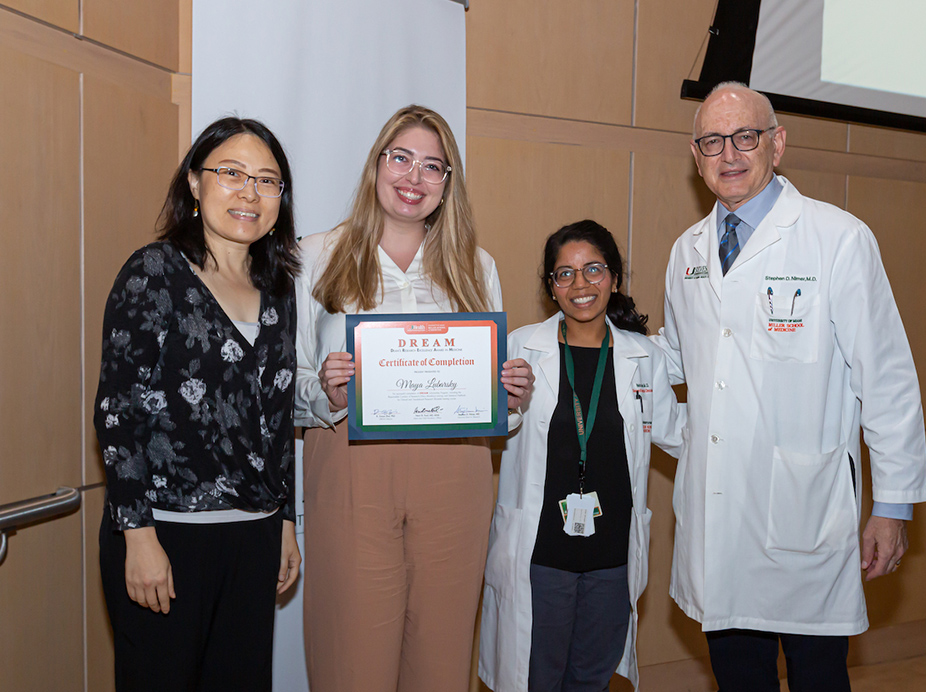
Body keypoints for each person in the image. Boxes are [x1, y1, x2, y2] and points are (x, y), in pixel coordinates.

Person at [654, 81, 926, 691]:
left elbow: (885, 376)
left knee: (818, 677)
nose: (729, 154)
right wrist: (601, 345)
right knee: (738, 677)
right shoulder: (687, 253)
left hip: (804, 514)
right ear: (695, 157)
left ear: (776, 144)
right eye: (711, 142)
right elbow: (679, 359)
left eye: (744, 137)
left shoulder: (838, 239)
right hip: (720, 517)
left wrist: (891, 506)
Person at [295, 104, 533, 692]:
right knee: (351, 655)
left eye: (433, 167)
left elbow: (493, 400)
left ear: (448, 184)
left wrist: (514, 396)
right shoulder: (315, 256)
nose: (413, 178)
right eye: (401, 158)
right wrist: (324, 388)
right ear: (377, 164)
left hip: (456, 474)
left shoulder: (476, 267)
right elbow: (286, 385)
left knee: (441, 655)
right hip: (351, 468)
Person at [96, 117, 301, 691]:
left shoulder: (279, 289)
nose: (250, 193)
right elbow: (119, 412)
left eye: (268, 181)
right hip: (167, 534)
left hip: (254, 537)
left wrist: (285, 520)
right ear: (193, 181)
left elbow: (278, 420)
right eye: (231, 173)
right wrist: (137, 537)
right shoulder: (154, 272)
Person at [478, 220, 685, 692]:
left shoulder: (642, 357)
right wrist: (507, 404)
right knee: (537, 678)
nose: (580, 284)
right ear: (551, 288)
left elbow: (679, 433)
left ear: (613, 277)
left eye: (593, 269)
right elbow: (492, 426)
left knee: (591, 679)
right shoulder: (520, 348)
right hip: (542, 555)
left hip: (611, 558)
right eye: (564, 274)